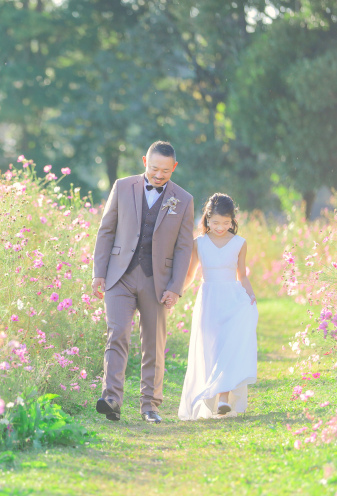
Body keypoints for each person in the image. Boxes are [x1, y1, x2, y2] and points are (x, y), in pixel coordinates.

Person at [91, 141, 194, 423]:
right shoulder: (122, 187)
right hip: (118, 276)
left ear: (174, 167)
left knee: (153, 343)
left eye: (165, 170)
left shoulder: (183, 199)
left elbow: (185, 247)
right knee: (117, 333)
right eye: (153, 169)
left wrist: (176, 287)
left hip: (157, 282)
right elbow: (106, 230)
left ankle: (150, 405)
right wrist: (99, 272)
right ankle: (111, 398)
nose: (158, 175)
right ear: (144, 162)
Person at [178, 193, 258, 420]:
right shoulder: (199, 243)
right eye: (215, 223)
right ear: (206, 219)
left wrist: (250, 295)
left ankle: (223, 399)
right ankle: (212, 396)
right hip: (209, 299)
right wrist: (177, 292)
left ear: (232, 220)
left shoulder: (239, 243)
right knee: (211, 348)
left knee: (227, 347)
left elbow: (242, 275)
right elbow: (191, 274)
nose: (220, 227)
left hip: (233, 298)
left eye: (226, 223)